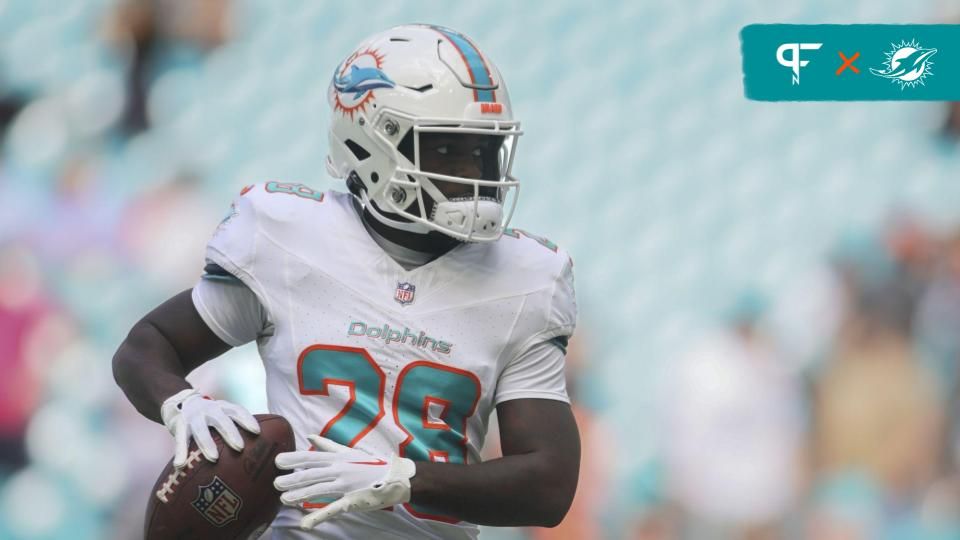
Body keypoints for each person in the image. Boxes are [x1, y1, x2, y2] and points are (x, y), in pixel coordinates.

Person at [112, 24, 580, 539]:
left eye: (482, 151)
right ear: (370, 143)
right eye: (447, 151)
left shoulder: (526, 279)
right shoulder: (286, 238)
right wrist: (184, 404)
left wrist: (406, 479)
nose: (475, 173)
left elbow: (548, 484)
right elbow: (144, 349)